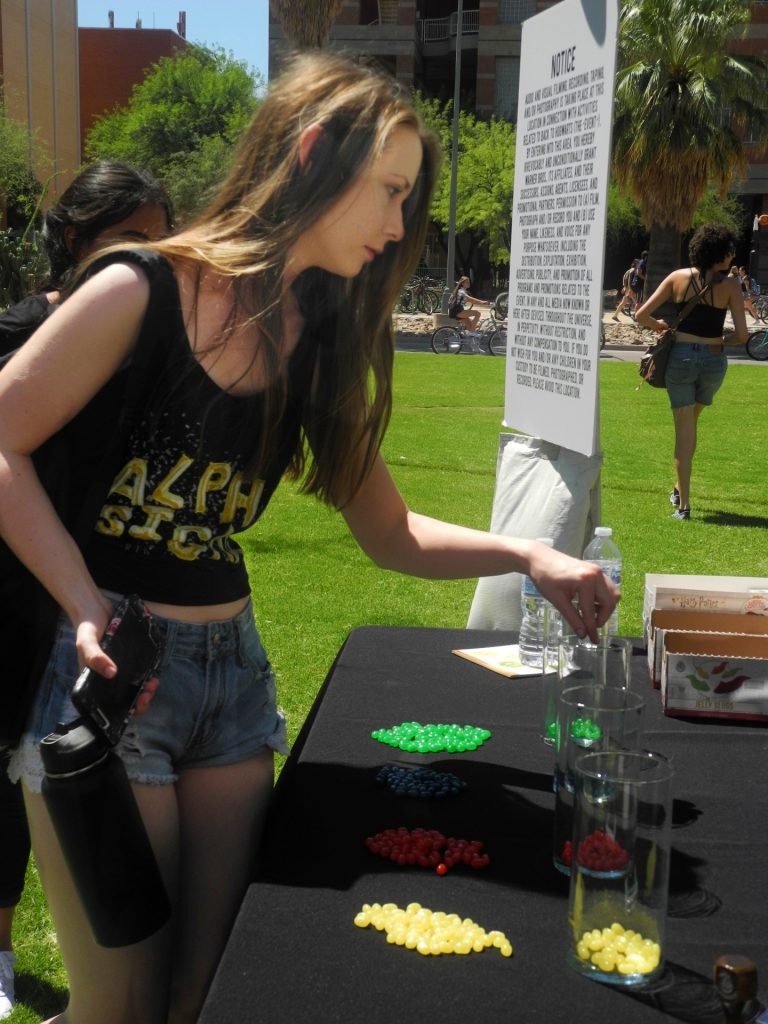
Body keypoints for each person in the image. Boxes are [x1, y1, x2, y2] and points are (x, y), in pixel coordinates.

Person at [0, 53, 617, 1024]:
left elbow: (394, 532)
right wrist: (82, 601)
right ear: (313, 152)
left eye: (408, 198)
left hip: (233, 688)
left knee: (208, 994)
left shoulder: (316, 335)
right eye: (390, 190)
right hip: (114, 689)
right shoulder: (141, 289)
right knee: (120, 1006)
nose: (398, 224)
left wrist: (530, 555)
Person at [0, 160, 171, 1021]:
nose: (144, 265)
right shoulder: (17, 336)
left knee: (49, 785)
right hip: (10, 590)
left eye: (157, 244)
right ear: (73, 242)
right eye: (127, 243)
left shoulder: (143, 354)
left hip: (83, 602)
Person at [635, 223, 747, 520]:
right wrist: (721, 340)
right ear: (720, 254)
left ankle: (683, 505)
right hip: (713, 360)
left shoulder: (677, 278)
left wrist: (659, 325)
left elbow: (640, 315)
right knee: (691, 425)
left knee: (684, 428)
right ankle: (678, 490)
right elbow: (743, 336)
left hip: (681, 358)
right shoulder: (731, 286)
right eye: (730, 251)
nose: (732, 256)